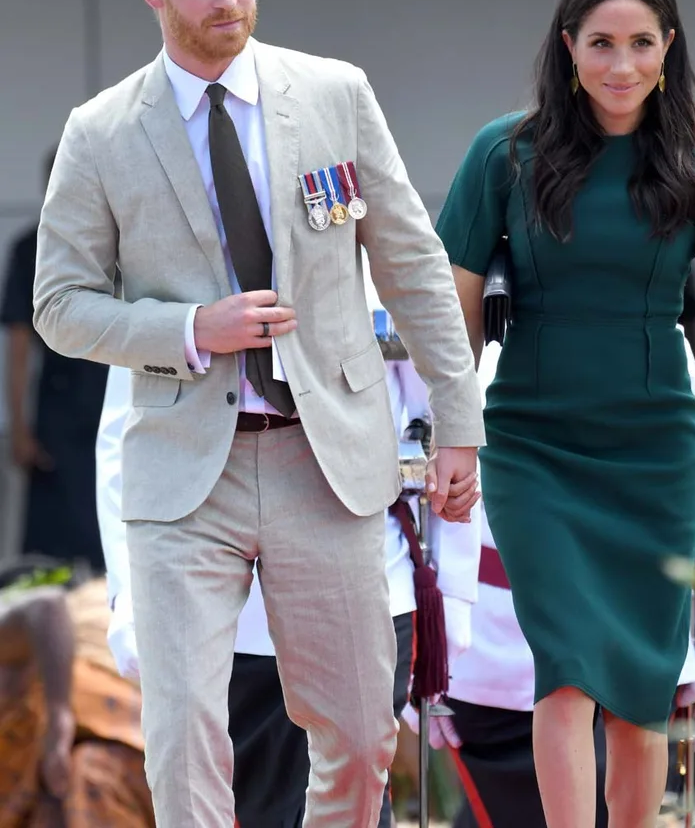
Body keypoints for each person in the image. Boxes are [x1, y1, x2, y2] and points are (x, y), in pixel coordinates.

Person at [33, 0, 484, 828]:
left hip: (324, 456)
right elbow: (59, 307)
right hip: (181, 467)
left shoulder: (334, 94)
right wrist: (191, 329)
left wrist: (459, 421)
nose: (228, 0)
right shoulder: (101, 132)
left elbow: (410, 264)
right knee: (184, 736)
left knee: (364, 736)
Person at [436, 0, 695, 828]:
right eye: (600, 43)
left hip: (655, 446)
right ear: (567, 46)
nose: (620, 65)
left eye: (639, 43)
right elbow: (456, 318)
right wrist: (450, 434)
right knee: (569, 670)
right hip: (533, 447)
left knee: (640, 685)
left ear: (668, 47)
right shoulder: (503, 153)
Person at [96, 273, 481, 827]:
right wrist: (130, 595)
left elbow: (442, 429)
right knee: (243, 800)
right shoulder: (167, 263)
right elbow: (124, 438)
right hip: (218, 601)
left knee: (356, 792)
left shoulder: (367, 258)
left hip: (368, 579)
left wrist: (454, 595)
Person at [404, 335, 695, 828]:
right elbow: (419, 479)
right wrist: (424, 650)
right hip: (490, 651)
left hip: (629, 634)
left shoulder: (642, 306)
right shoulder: (459, 315)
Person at [0, 149, 107, 571]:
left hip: (117, 396)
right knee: (51, 550)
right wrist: (19, 427)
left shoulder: (118, 241)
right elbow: (19, 342)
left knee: (113, 533)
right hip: (59, 408)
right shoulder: (30, 248)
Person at [0, 557, 152, 828]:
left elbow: (47, 606)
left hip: (117, 740)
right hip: (48, 778)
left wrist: (58, 721)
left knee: (87, 775)